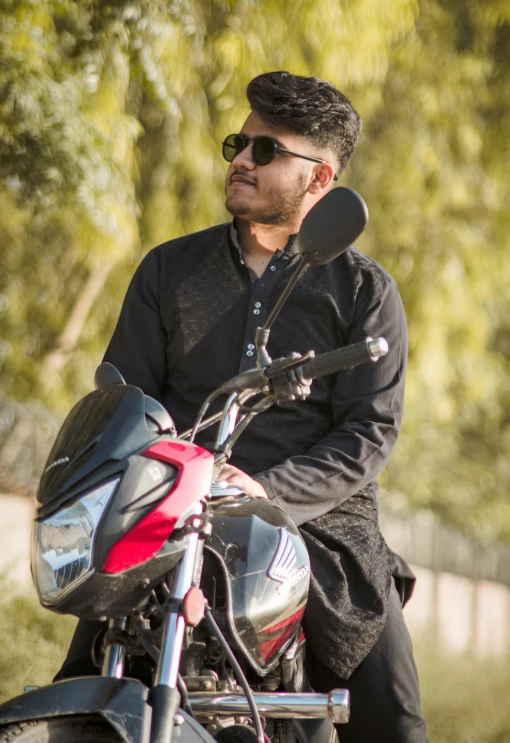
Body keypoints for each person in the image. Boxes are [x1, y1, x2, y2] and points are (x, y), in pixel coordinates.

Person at [56, 71, 428, 742]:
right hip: (174, 513)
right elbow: (124, 394)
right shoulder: (167, 270)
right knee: (77, 693)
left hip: (320, 528)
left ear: (321, 179)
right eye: (240, 142)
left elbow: (368, 434)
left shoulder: (366, 292)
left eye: (265, 150)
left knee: (396, 719)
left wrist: (268, 488)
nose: (240, 160)